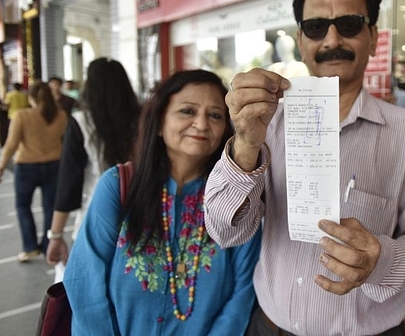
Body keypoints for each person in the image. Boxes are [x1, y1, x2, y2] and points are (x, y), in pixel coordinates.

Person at [204, 0, 405, 336]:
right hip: (269, 325)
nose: (332, 39)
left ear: (373, 36)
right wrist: (246, 144)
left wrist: (381, 261)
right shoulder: (266, 122)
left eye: (349, 24)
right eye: (317, 27)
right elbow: (225, 231)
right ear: (301, 40)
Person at [64, 69, 261, 334]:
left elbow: (243, 292)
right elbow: (85, 284)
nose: (202, 124)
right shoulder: (118, 185)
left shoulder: (236, 198)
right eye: (187, 111)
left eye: (215, 115)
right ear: (158, 123)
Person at [45, 58, 141, 277]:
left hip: (94, 221)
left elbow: (68, 184)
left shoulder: (81, 122)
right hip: (141, 221)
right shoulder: (143, 118)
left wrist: (56, 235)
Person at [0, 81, 68, 262]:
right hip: (54, 165)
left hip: (26, 167)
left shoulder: (22, 116)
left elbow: (11, 145)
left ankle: (30, 247)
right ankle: (48, 247)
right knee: (50, 207)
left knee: (23, 206)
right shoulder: (61, 116)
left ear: (31, 97)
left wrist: (1, 167)